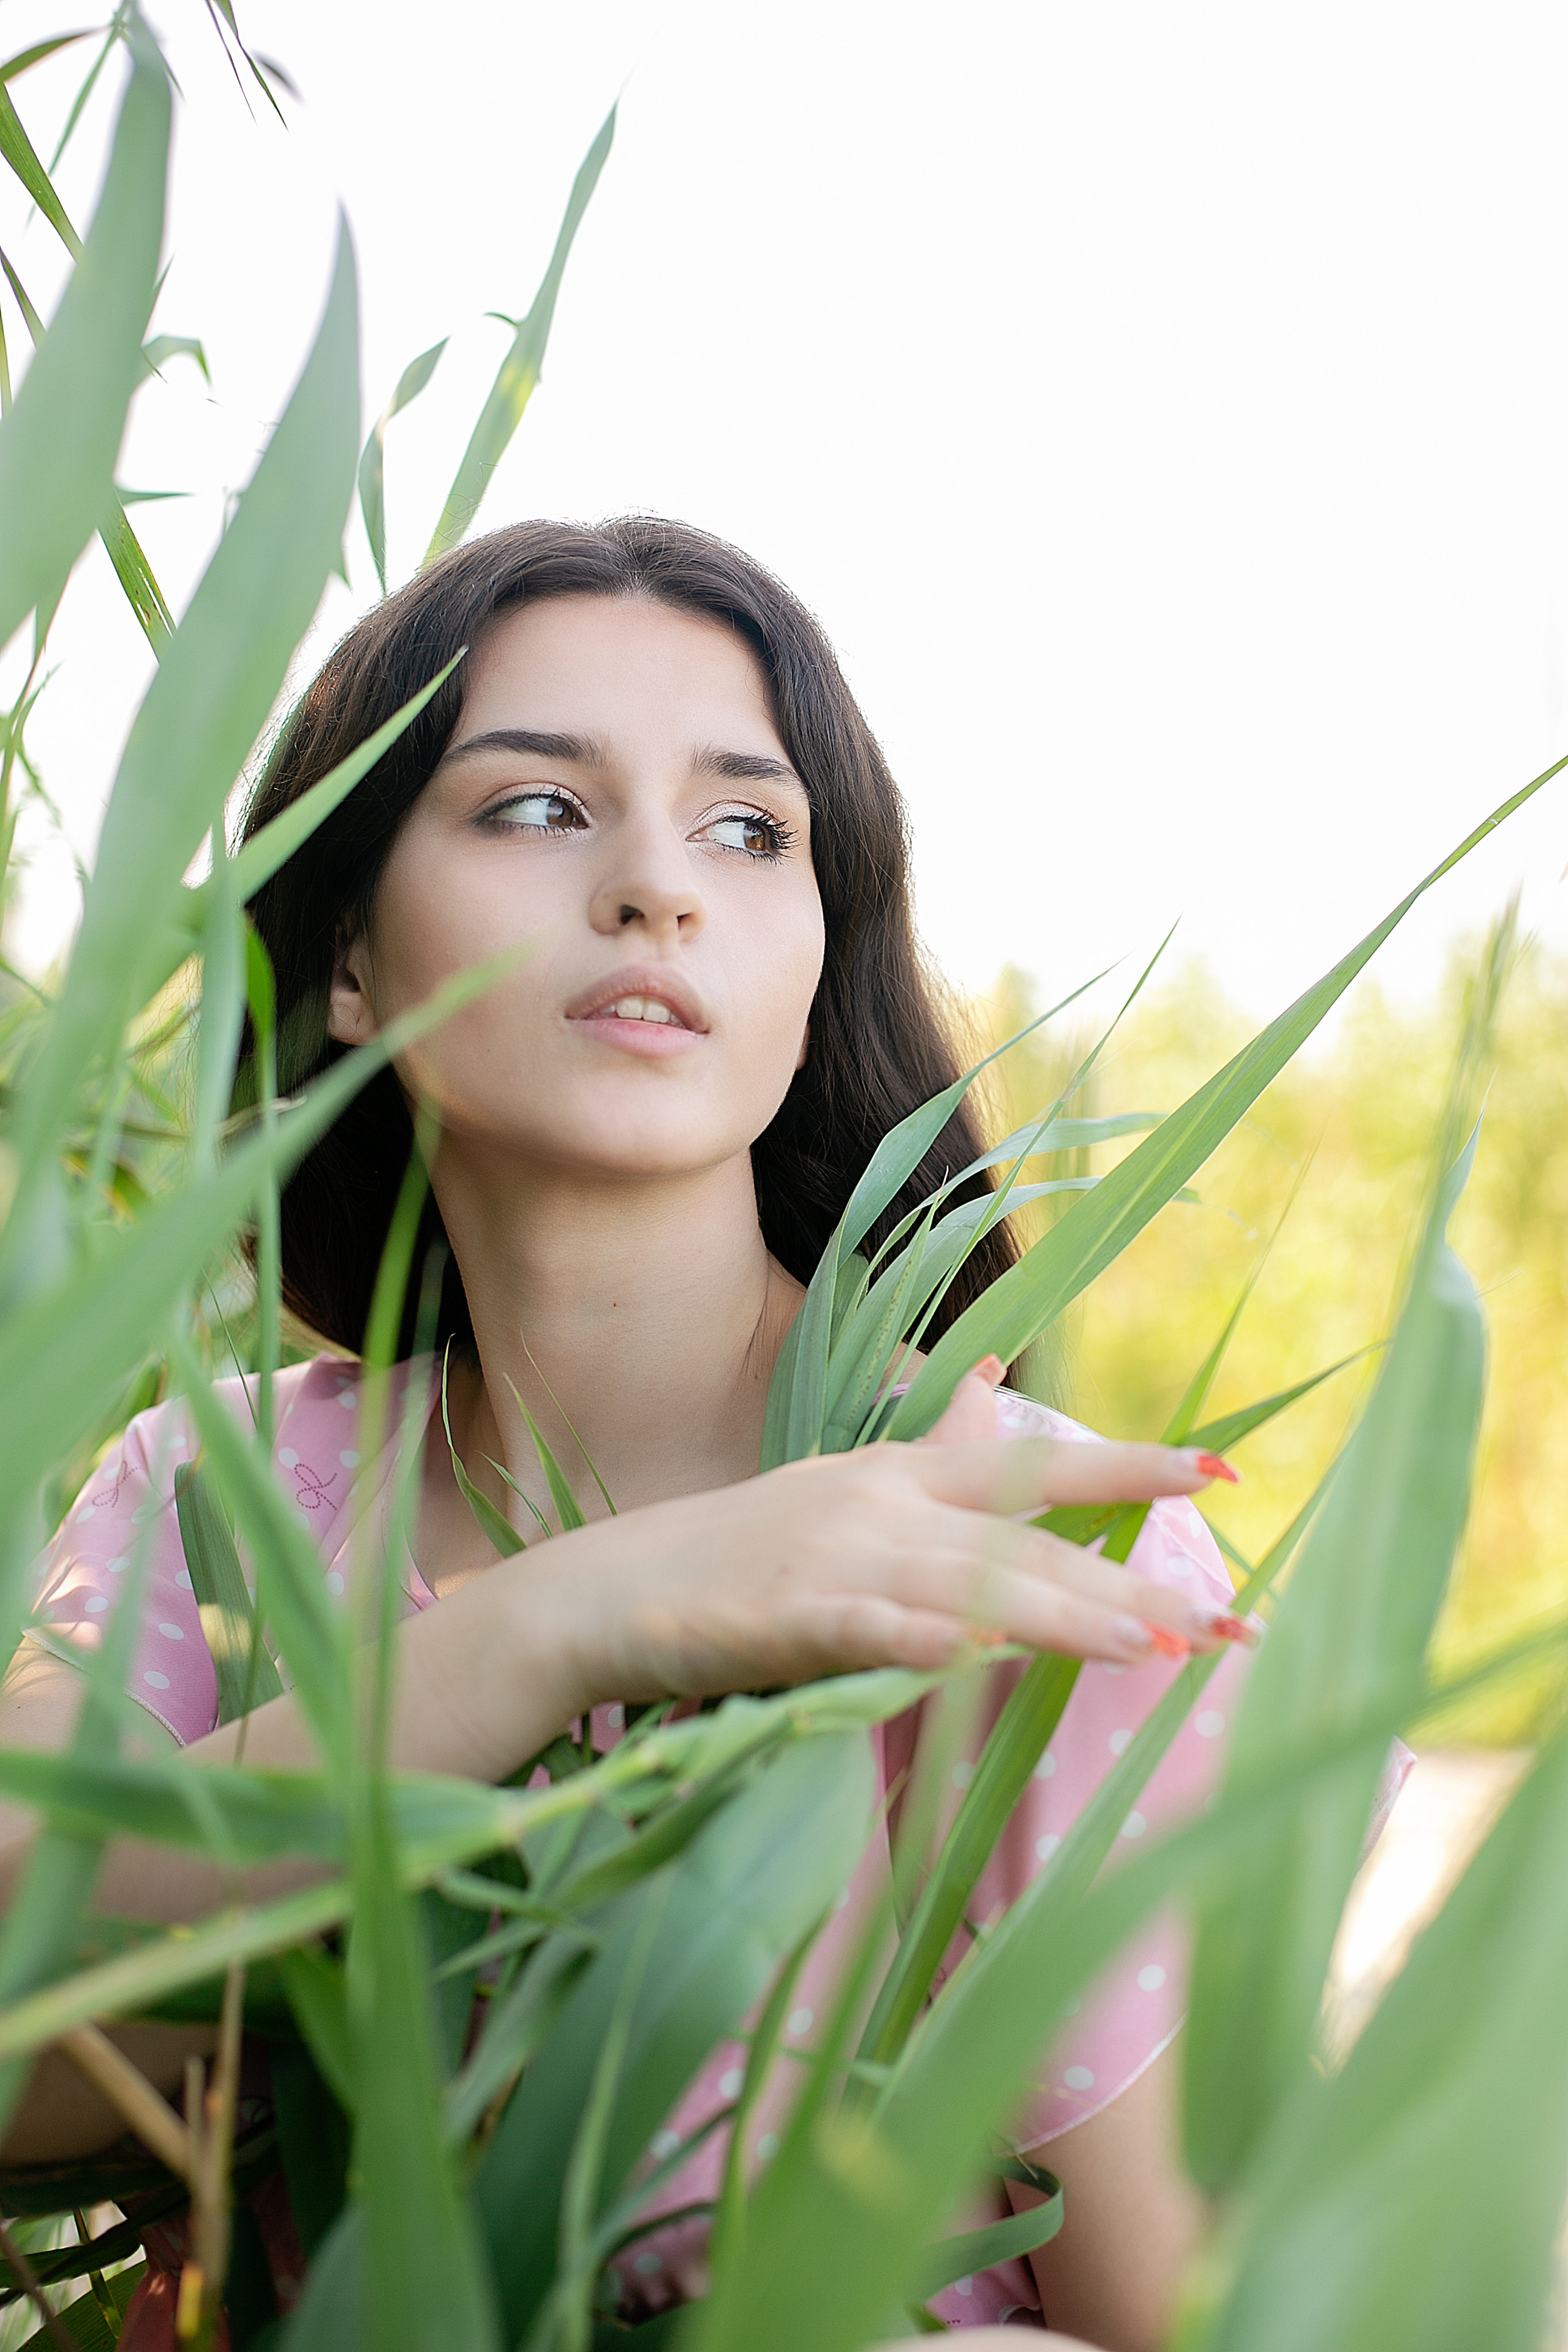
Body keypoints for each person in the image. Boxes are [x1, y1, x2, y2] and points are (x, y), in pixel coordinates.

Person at [3, 519, 1253, 2349]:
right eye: (535, 808)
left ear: (820, 958)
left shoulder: (1008, 1546)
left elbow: (1225, 2318)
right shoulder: (220, 1494)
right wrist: (562, 1624)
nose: (660, 884)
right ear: (347, 957)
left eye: (750, 829)